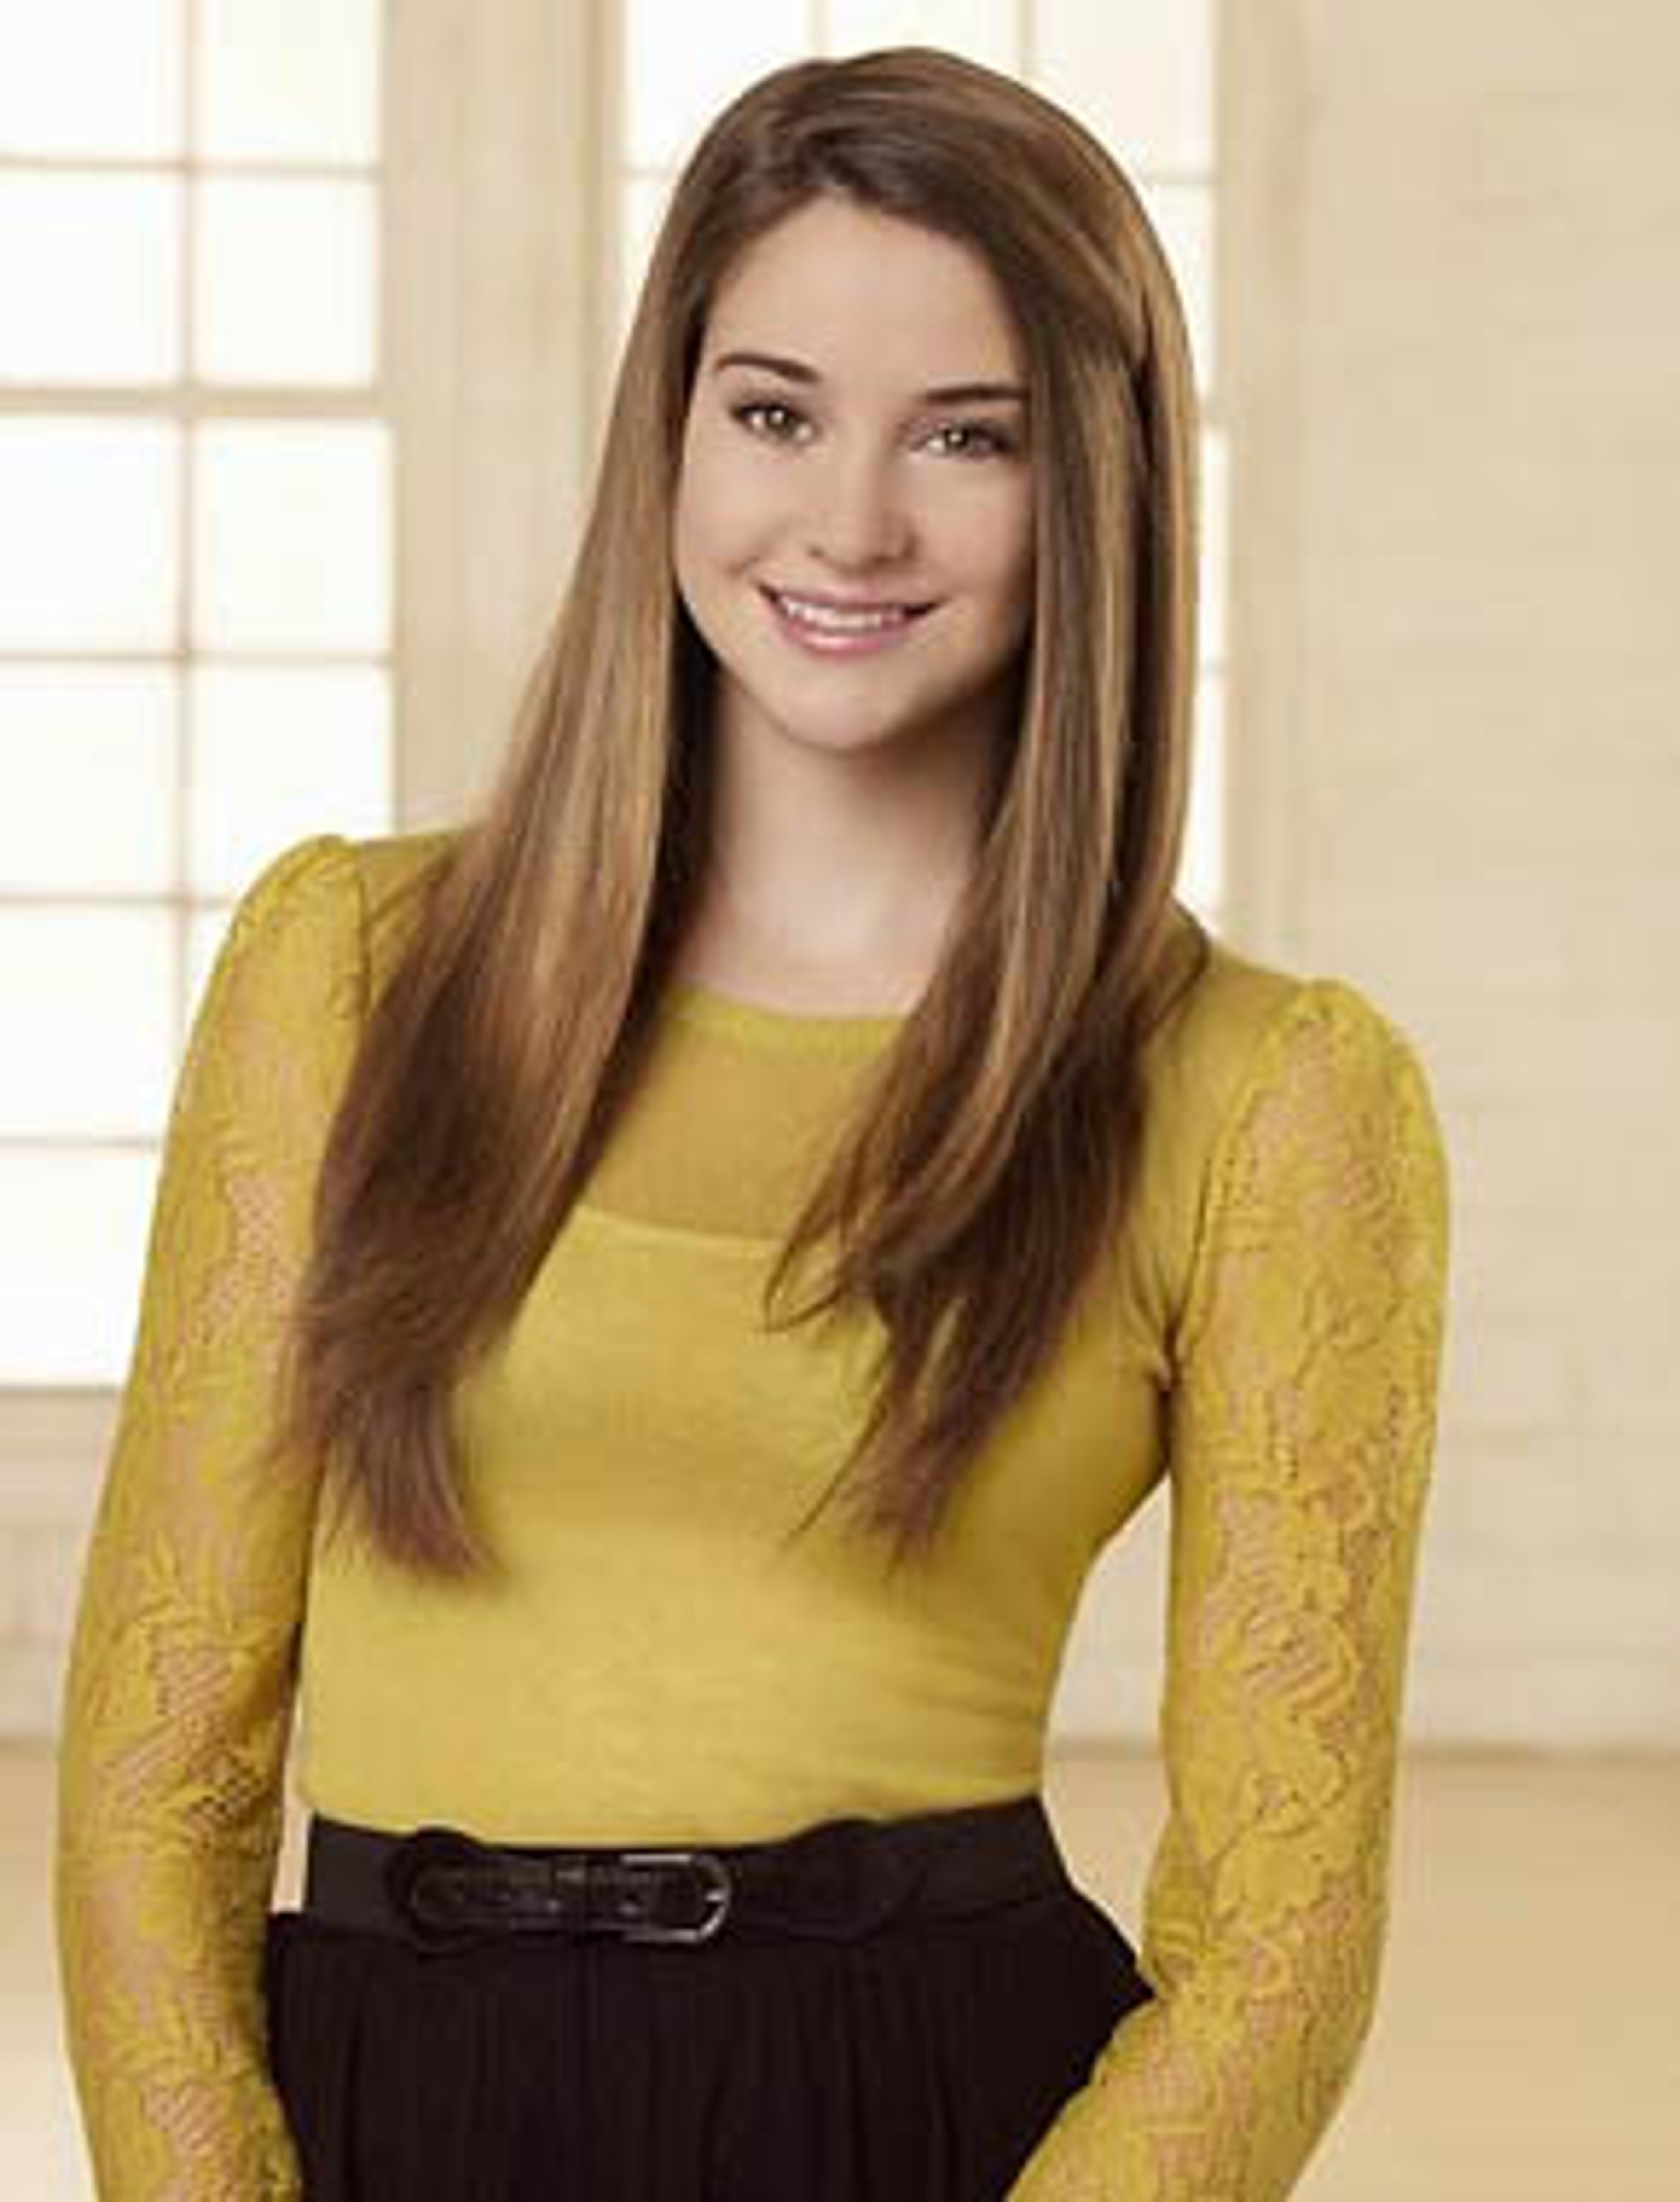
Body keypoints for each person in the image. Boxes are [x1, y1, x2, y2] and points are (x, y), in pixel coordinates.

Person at [52, 42, 1451, 2202]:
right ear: (672, 432)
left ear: (1092, 485)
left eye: (963, 437)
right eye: (776, 410)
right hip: (383, 2087)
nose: (850, 521)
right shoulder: (349, 968)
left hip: (927, 2108)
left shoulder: (1269, 1098)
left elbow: (1282, 1939)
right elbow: (157, 1767)